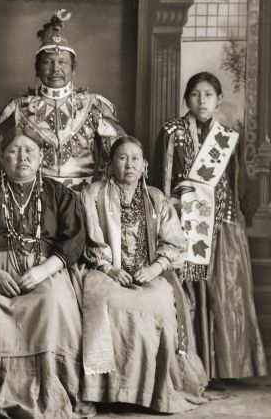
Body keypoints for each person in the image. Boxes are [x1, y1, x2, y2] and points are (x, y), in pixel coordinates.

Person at [0, 125, 85, 418]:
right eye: (13, 151)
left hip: (44, 268)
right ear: (1, 157)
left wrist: (45, 270)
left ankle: (47, 390)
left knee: (52, 302)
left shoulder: (60, 193)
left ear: (41, 155)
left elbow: (74, 238)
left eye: (29, 150)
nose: (22, 157)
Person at [152, 72, 267, 384]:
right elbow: (160, 183)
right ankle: (190, 369)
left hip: (222, 224)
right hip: (183, 222)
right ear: (186, 99)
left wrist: (237, 219)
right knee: (190, 291)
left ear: (218, 100)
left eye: (208, 95)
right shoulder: (171, 132)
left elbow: (237, 183)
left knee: (223, 292)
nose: (201, 101)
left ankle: (223, 370)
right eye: (195, 95)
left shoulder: (228, 137)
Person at [81, 136, 207, 413]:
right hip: (105, 270)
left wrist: (155, 268)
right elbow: (90, 241)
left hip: (149, 272)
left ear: (145, 165)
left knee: (158, 304)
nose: (129, 164)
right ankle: (103, 392)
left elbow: (175, 242)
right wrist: (109, 268)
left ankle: (152, 392)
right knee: (104, 302)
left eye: (135, 158)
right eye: (122, 158)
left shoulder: (156, 197)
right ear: (110, 163)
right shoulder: (94, 193)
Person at [0, 9, 126, 192]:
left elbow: (121, 153)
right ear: (37, 69)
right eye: (48, 62)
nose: (55, 68)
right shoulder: (19, 108)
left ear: (73, 69)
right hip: (36, 197)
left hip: (83, 198)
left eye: (62, 62)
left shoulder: (92, 106)